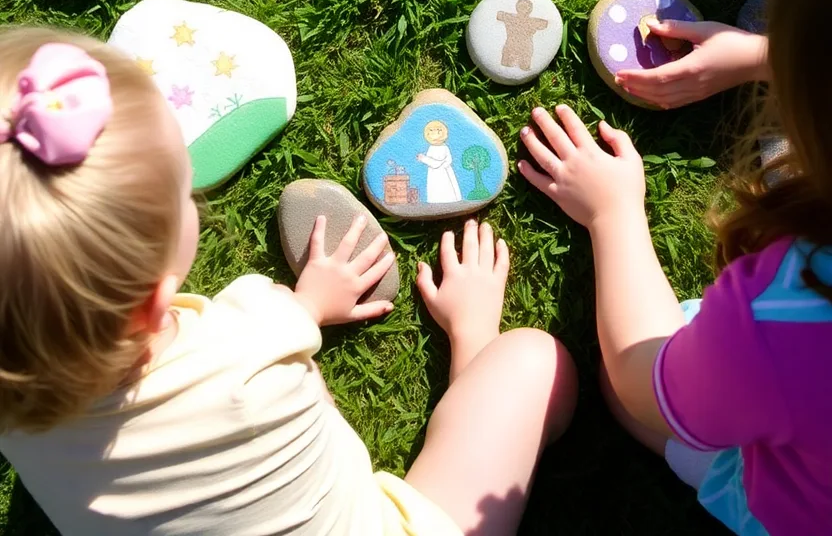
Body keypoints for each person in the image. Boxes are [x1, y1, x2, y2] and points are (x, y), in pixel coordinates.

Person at [0, 26, 577, 536]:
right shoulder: (256, 346)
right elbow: (301, 388)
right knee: (534, 362)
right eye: (184, 191)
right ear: (151, 302)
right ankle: (474, 348)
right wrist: (305, 308)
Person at [519, 0, 832, 533]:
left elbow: (643, 384)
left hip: (797, 510)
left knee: (628, 391)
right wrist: (761, 56)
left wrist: (614, 214)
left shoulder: (790, 308)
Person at [416, 120, 462, 203]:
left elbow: (441, 161)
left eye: (439, 130)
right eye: (431, 131)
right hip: (436, 172)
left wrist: (424, 159)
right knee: (436, 186)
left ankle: (447, 199)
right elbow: (435, 161)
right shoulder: (432, 147)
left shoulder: (443, 147)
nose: (435, 133)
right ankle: (437, 200)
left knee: (444, 185)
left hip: (442, 172)